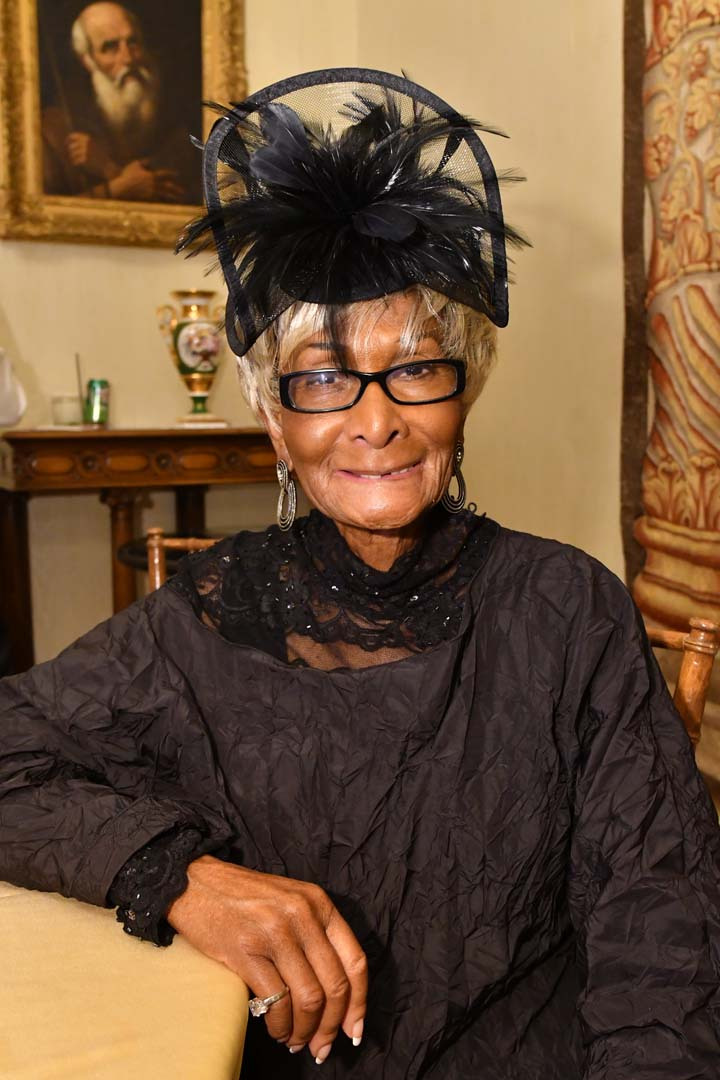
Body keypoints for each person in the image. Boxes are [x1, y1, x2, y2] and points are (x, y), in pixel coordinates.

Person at [2, 69, 720, 1079]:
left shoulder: (565, 608)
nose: (375, 422)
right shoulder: (204, 619)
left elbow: (662, 926)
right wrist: (184, 878)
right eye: (324, 380)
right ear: (273, 419)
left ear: (464, 393)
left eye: (416, 368)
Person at [41, 1, 199, 203]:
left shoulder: (173, 121)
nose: (128, 59)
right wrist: (119, 187)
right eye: (110, 47)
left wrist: (109, 169)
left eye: (133, 42)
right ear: (87, 60)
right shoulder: (56, 126)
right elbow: (41, 211)